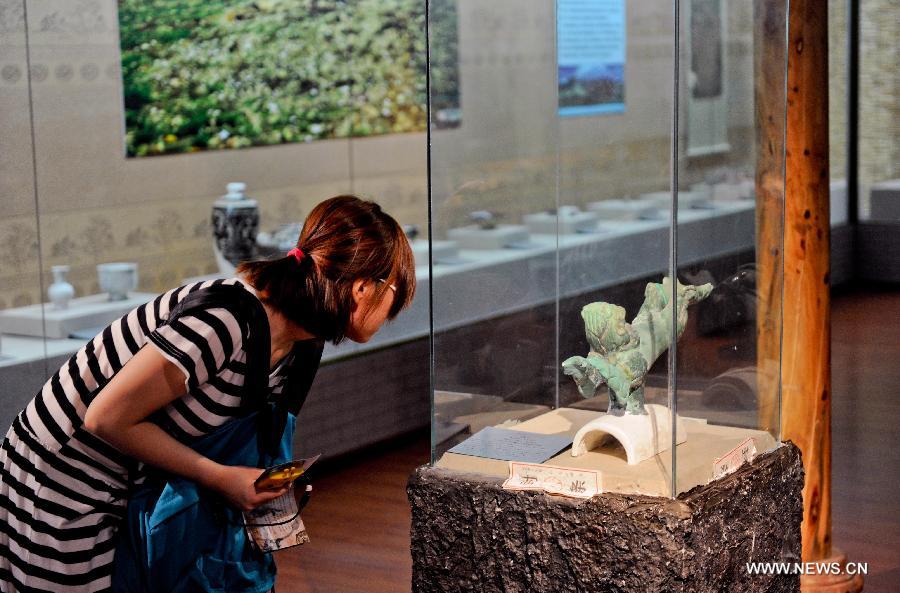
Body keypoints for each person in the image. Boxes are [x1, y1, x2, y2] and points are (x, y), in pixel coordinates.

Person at [0, 195, 415, 593]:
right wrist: (220, 477)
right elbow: (105, 418)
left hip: (134, 485)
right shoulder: (226, 318)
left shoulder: (304, 344)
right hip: (64, 478)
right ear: (362, 288)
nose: (397, 309)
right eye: (396, 291)